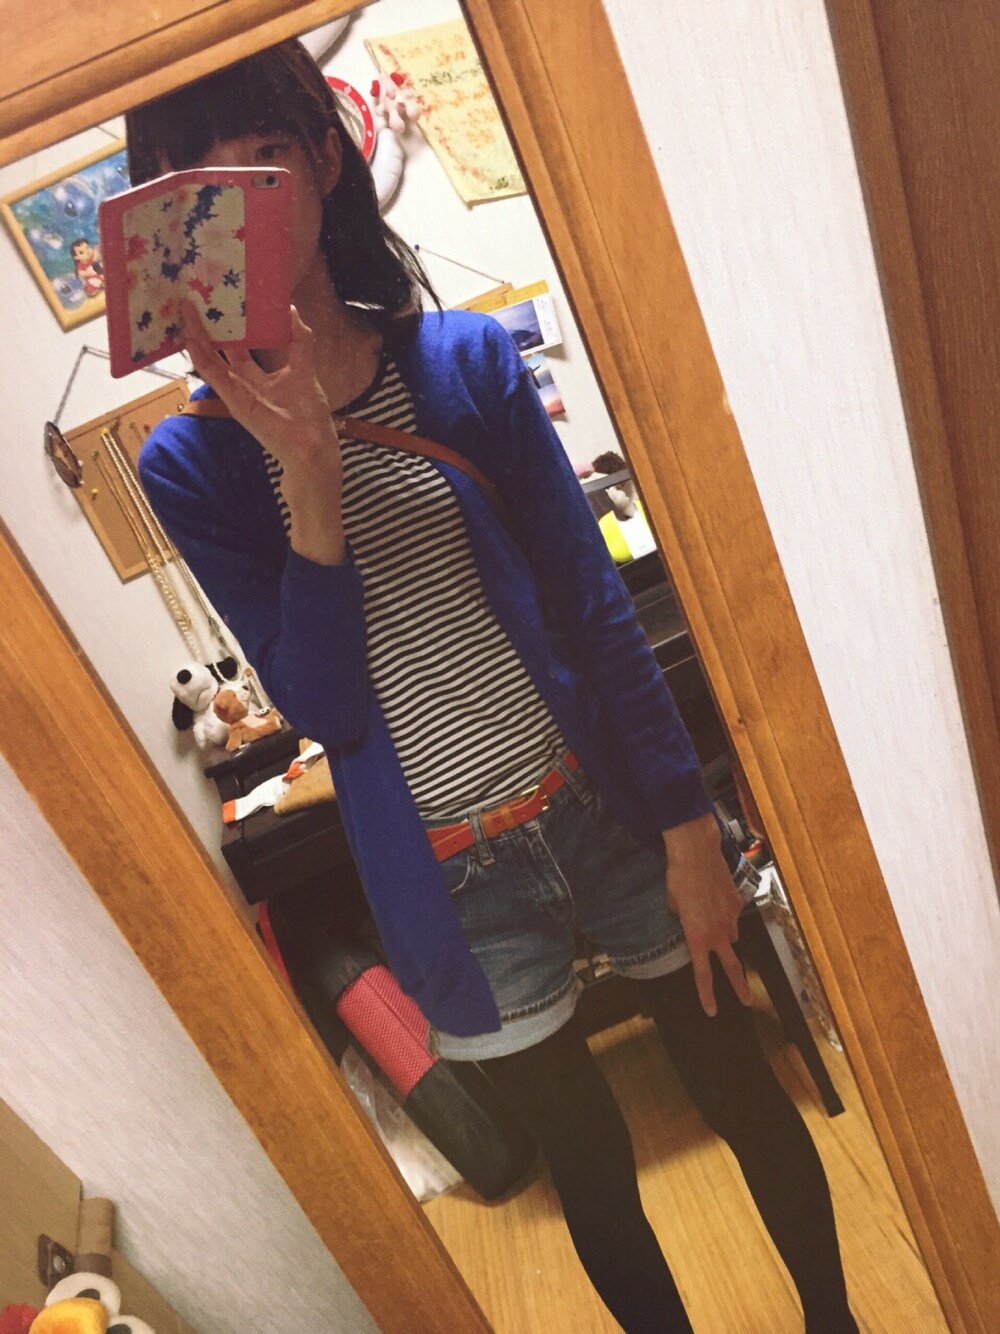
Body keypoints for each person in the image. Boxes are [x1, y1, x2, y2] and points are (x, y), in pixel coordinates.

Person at [129, 40, 857, 1333]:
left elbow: (595, 608)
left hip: (605, 808)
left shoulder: (462, 363)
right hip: (458, 883)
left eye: (266, 156)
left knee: (738, 1083)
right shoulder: (191, 465)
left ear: (329, 161)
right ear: (161, 230)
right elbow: (325, 707)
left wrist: (691, 828)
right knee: (593, 1172)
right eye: (199, 184)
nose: (242, 208)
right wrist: (306, 473)